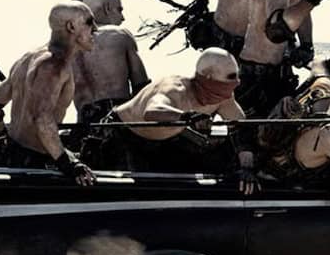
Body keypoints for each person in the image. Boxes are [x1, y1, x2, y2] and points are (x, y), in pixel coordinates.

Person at [0, 2, 99, 185]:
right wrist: (70, 164)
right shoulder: (55, 66)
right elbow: (42, 119)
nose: (95, 29)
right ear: (71, 27)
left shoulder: (28, 58)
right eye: (89, 22)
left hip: (11, 156)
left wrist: (3, 135)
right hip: (32, 166)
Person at [103, 48, 258, 192]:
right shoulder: (174, 88)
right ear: (207, 76)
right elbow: (152, 112)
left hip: (167, 141)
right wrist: (187, 117)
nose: (230, 87)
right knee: (130, 189)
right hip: (123, 134)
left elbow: (240, 128)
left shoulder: (225, 98)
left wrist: (247, 167)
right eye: (227, 80)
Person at [66, 0, 149, 125]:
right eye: (119, 10)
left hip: (84, 127)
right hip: (117, 124)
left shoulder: (69, 44)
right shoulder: (119, 35)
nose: (123, 17)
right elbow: (142, 89)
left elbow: (68, 18)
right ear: (107, 8)